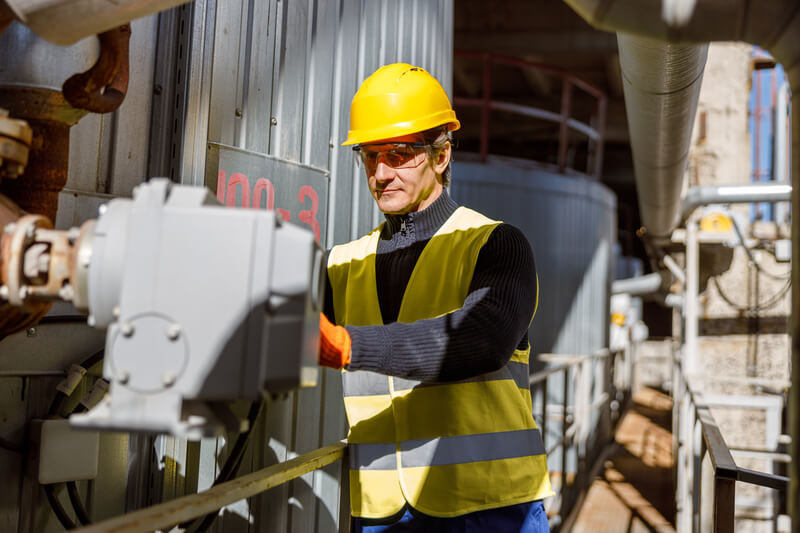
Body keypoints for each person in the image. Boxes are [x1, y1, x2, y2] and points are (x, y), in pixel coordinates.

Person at [318, 63, 553, 533]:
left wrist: (348, 346)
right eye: (369, 156)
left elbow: (482, 340)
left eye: (400, 155)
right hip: (383, 513)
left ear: (442, 155)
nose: (381, 173)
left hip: (491, 507)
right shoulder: (342, 263)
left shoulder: (495, 244)